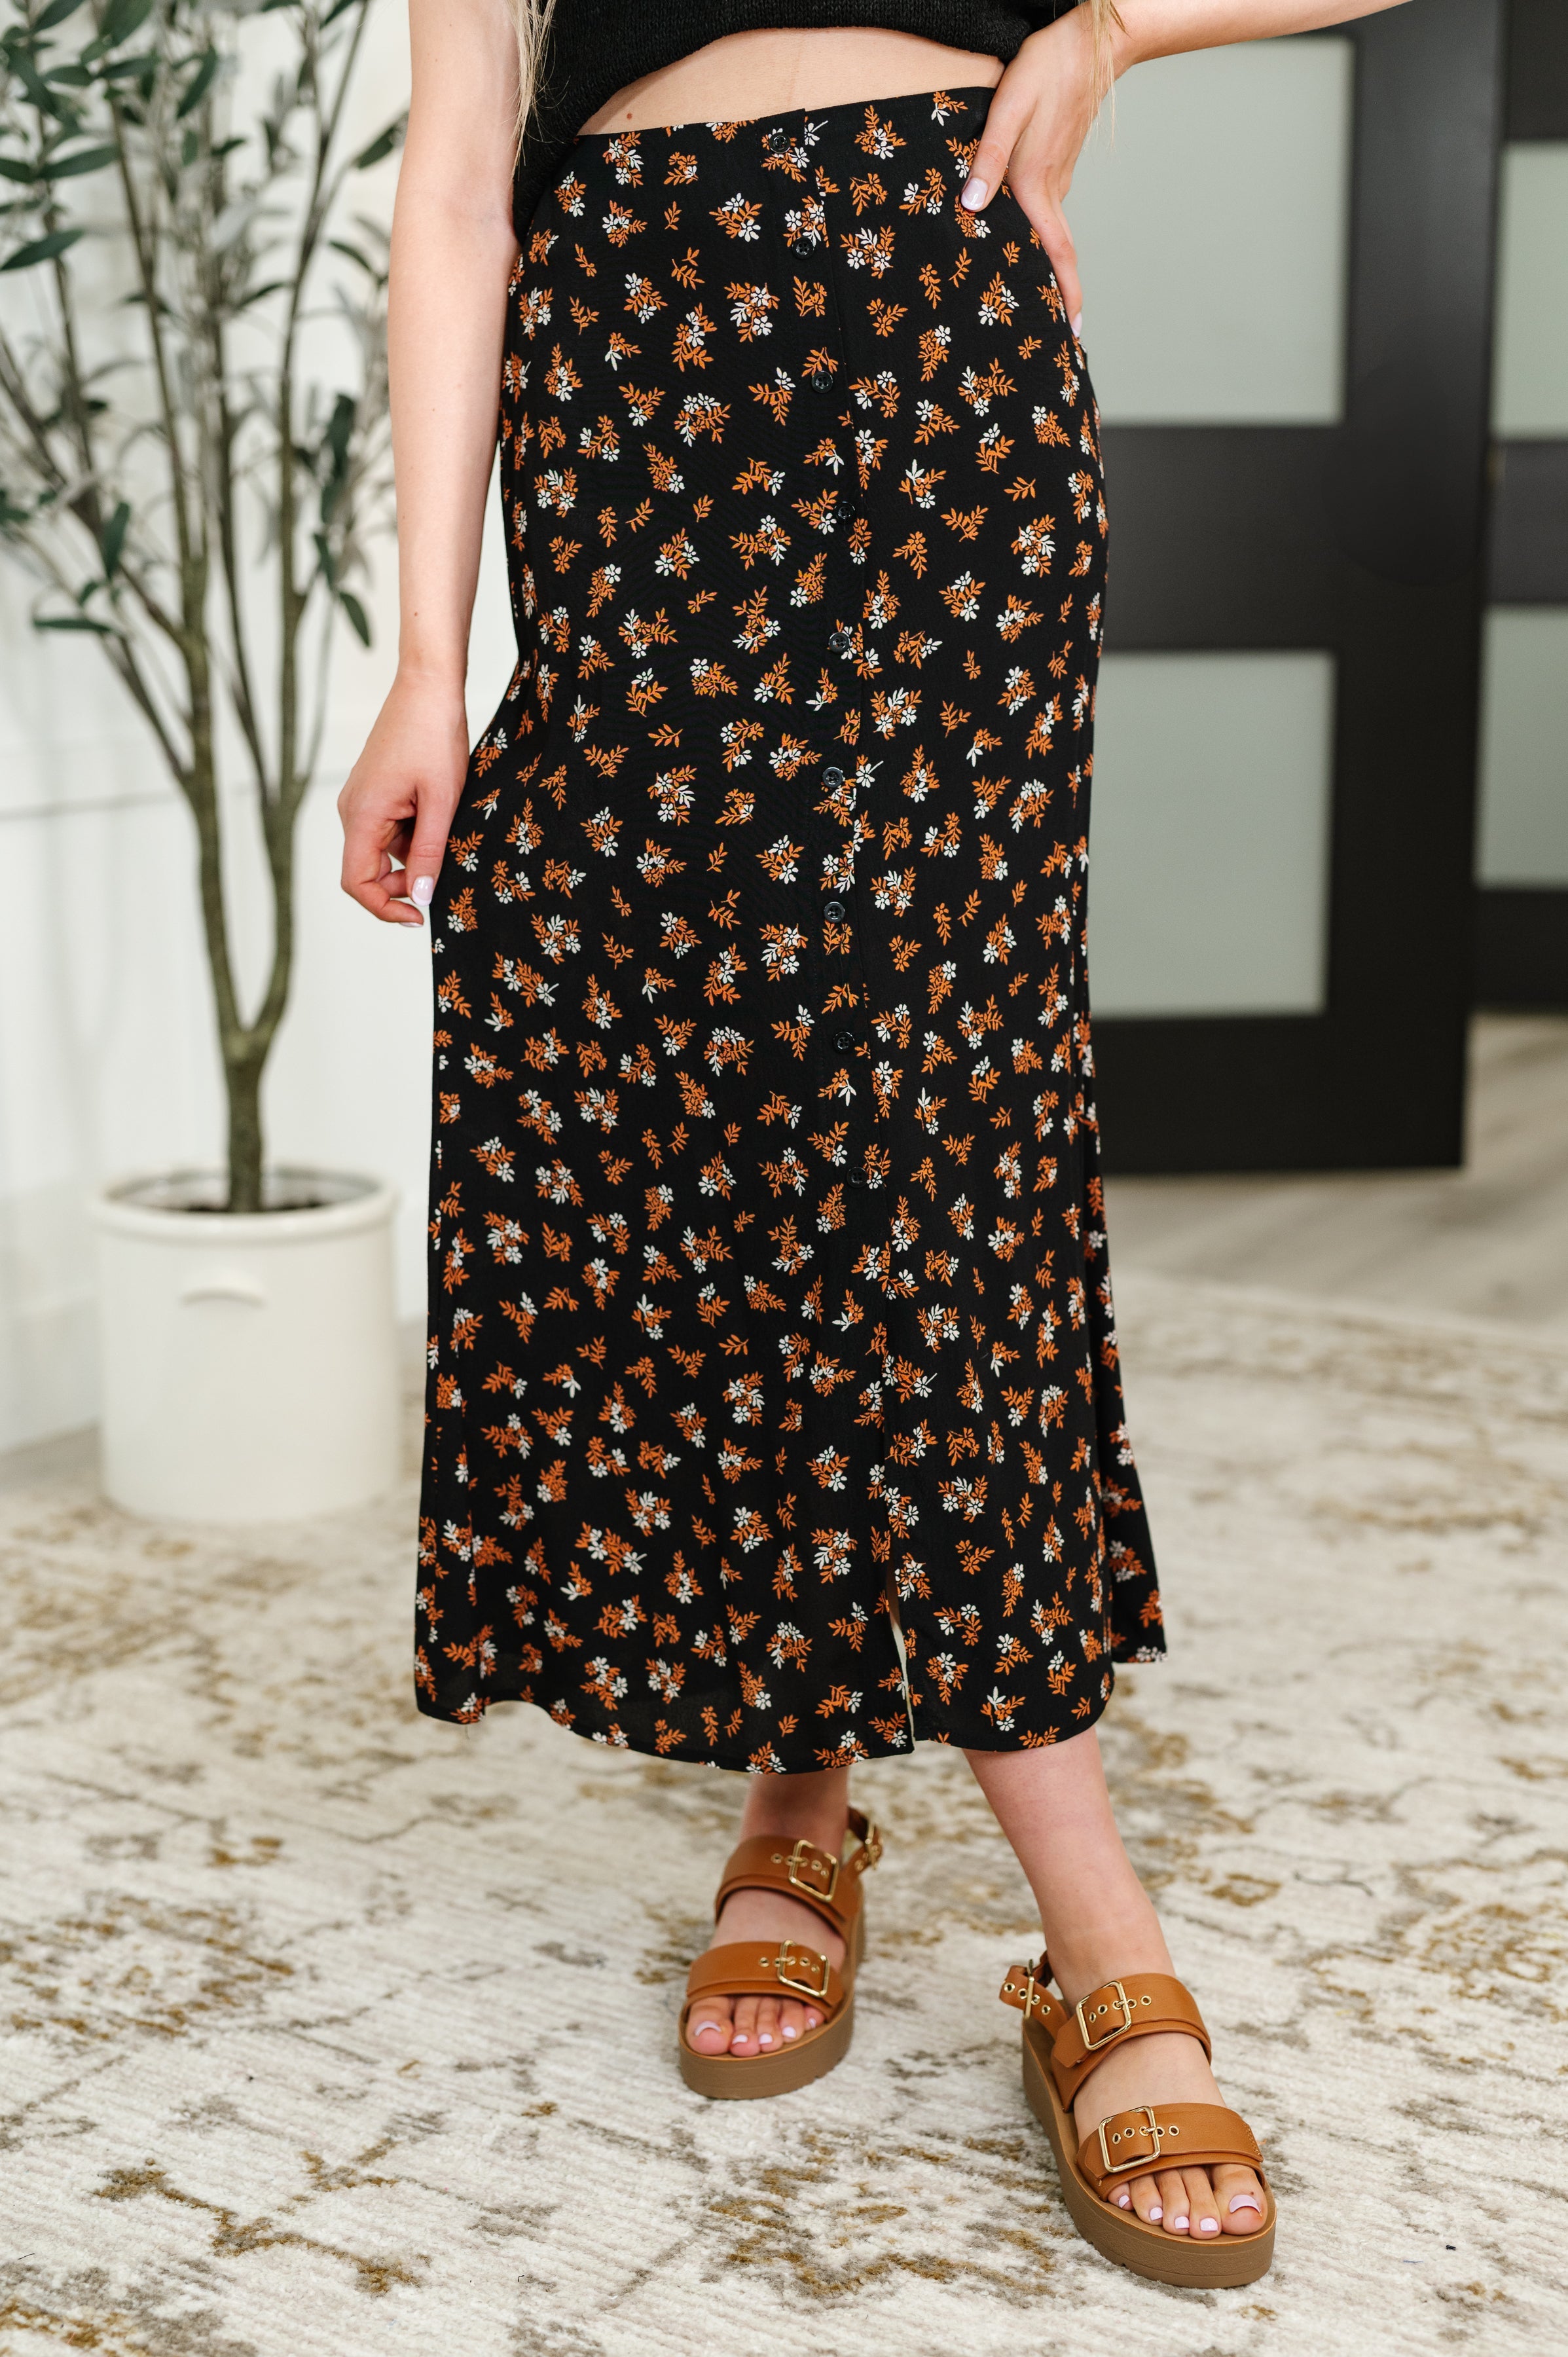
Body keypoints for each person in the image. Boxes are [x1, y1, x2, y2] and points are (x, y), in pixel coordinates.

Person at [340, 0, 1403, 2288]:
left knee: (920, 1128)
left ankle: (1080, 1921)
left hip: (941, 378)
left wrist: (1120, 23)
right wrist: (431, 655)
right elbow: (451, 186)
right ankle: (801, 1786)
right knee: (695, 1104)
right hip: (633, 370)